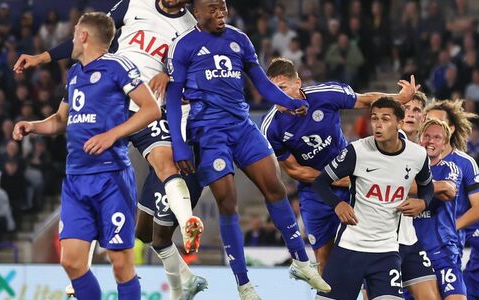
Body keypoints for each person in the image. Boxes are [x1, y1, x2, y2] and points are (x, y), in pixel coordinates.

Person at [14, 2, 206, 296]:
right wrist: (33, 125)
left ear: (85, 37)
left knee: (122, 263)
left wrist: (112, 134)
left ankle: (186, 219)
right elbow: (59, 121)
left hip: (114, 170)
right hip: (76, 178)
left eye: (76, 33)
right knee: (72, 262)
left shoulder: (124, 64)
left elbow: (158, 102)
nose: (73, 38)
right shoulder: (76, 74)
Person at [166, 0, 327, 297]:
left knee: (275, 187)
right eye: (213, 8)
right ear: (196, 12)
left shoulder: (239, 39)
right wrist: (179, 145)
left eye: (223, 6)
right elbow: (173, 99)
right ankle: (243, 282)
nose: (221, 12)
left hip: (242, 127)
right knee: (228, 201)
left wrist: (289, 103)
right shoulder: (183, 46)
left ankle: (301, 262)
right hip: (209, 133)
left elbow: (262, 84)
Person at [260, 58, 418, 272]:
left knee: (365, 252)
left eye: (282, 88)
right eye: (271, 90)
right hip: (315, 191)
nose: (276, 96)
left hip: (350, 179)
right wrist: (334, 179)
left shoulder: (326, 94)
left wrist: (399, 98)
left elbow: (365, 100)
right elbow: (295, 170)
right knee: (323, 259)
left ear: (298, 83)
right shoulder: (271, 128)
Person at [312, 98, 434, 300]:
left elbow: (427, 185)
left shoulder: (417, 155)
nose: (378, 124)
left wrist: (423, 202)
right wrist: (338, 203)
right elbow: (320, 183)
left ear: (399, 123)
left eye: (385, 119)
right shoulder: (357, 151)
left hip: (387, 250)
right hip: (351, 247)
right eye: (374, 118)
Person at [406, 118, 465, 300]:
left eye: (437, 138)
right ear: (419, 139)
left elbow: (449, 190)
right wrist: (434, 189)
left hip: (442, 250)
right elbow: (441, 189)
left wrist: (411, 190)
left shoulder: (451, 168)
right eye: (427, 136)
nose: (431, 141)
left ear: (444, 144)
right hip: (411, 253)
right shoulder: (406, 168)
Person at [425, 99, 479, 249]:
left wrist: (451, 227)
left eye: (438, 122)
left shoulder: (465, 163)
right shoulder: (415, 158)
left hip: (447, 244)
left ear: (451, 129)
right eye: (427, 121)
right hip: (415, 241)